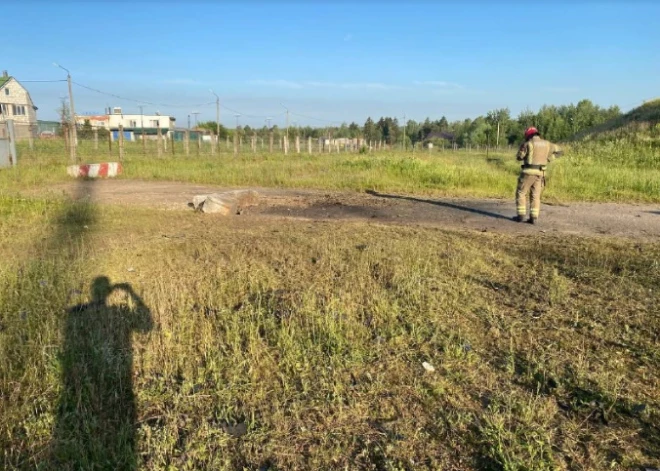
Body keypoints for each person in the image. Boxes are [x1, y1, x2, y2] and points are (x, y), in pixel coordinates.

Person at [513, 127, 563, 224]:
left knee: (521, 193)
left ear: (528, 135)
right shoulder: (548, 144)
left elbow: (520, 157)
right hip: (541, 173)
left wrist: (521, 151)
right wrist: (548, 159)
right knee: (535, 196)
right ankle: (534, 218)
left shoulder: (527, 144)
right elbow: (560, 151)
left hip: (528, 172)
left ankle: (521, 216)